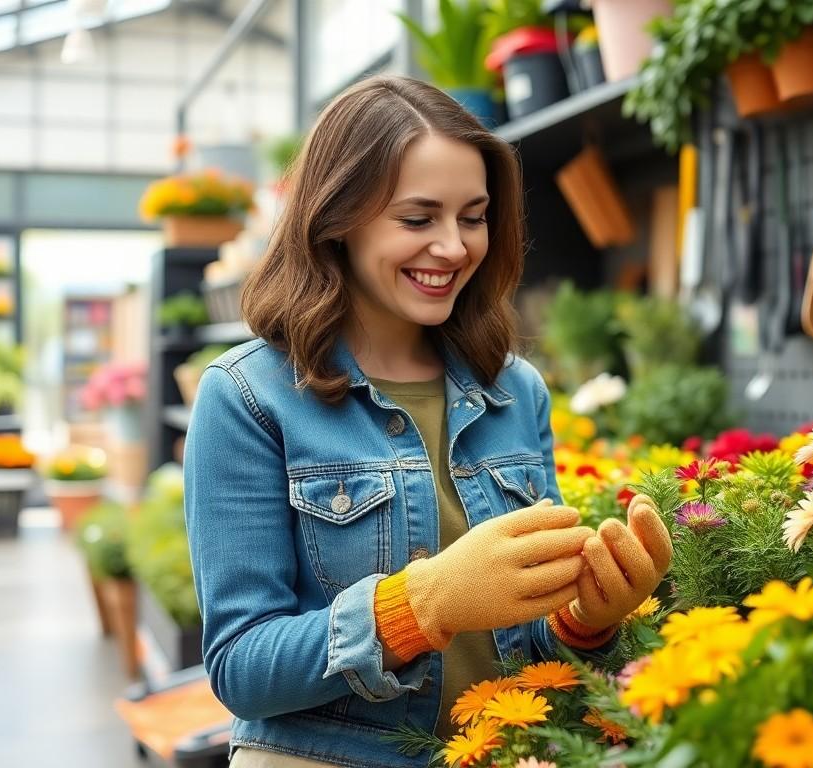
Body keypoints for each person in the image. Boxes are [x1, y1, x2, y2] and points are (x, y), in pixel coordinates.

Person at [183, 75, 672, 768]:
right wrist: (421, 605)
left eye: (472, 217)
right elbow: (241, 668)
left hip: (505, 750)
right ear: (337, 219)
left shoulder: (514, 391)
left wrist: (585, 619)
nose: (453, 247)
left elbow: (528, 639)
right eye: (419, 219)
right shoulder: (249, 397)